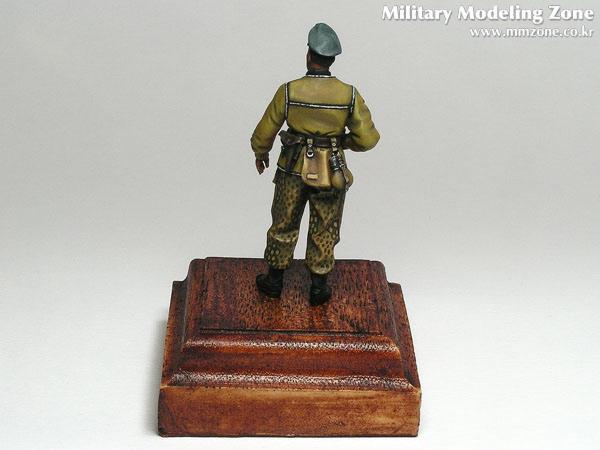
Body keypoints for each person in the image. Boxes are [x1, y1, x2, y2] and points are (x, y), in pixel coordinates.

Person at [251, 23, 380, 306]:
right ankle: (319, 287)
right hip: (331, 171)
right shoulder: (349, 94)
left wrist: (261, 152)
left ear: (309, 55)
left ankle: (274, 281)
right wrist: (342, 143)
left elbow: (265, 130)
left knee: (284, 222)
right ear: (331, 59)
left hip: (292, 169)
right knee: (325, 226)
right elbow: (368, 138)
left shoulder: (289, 91)